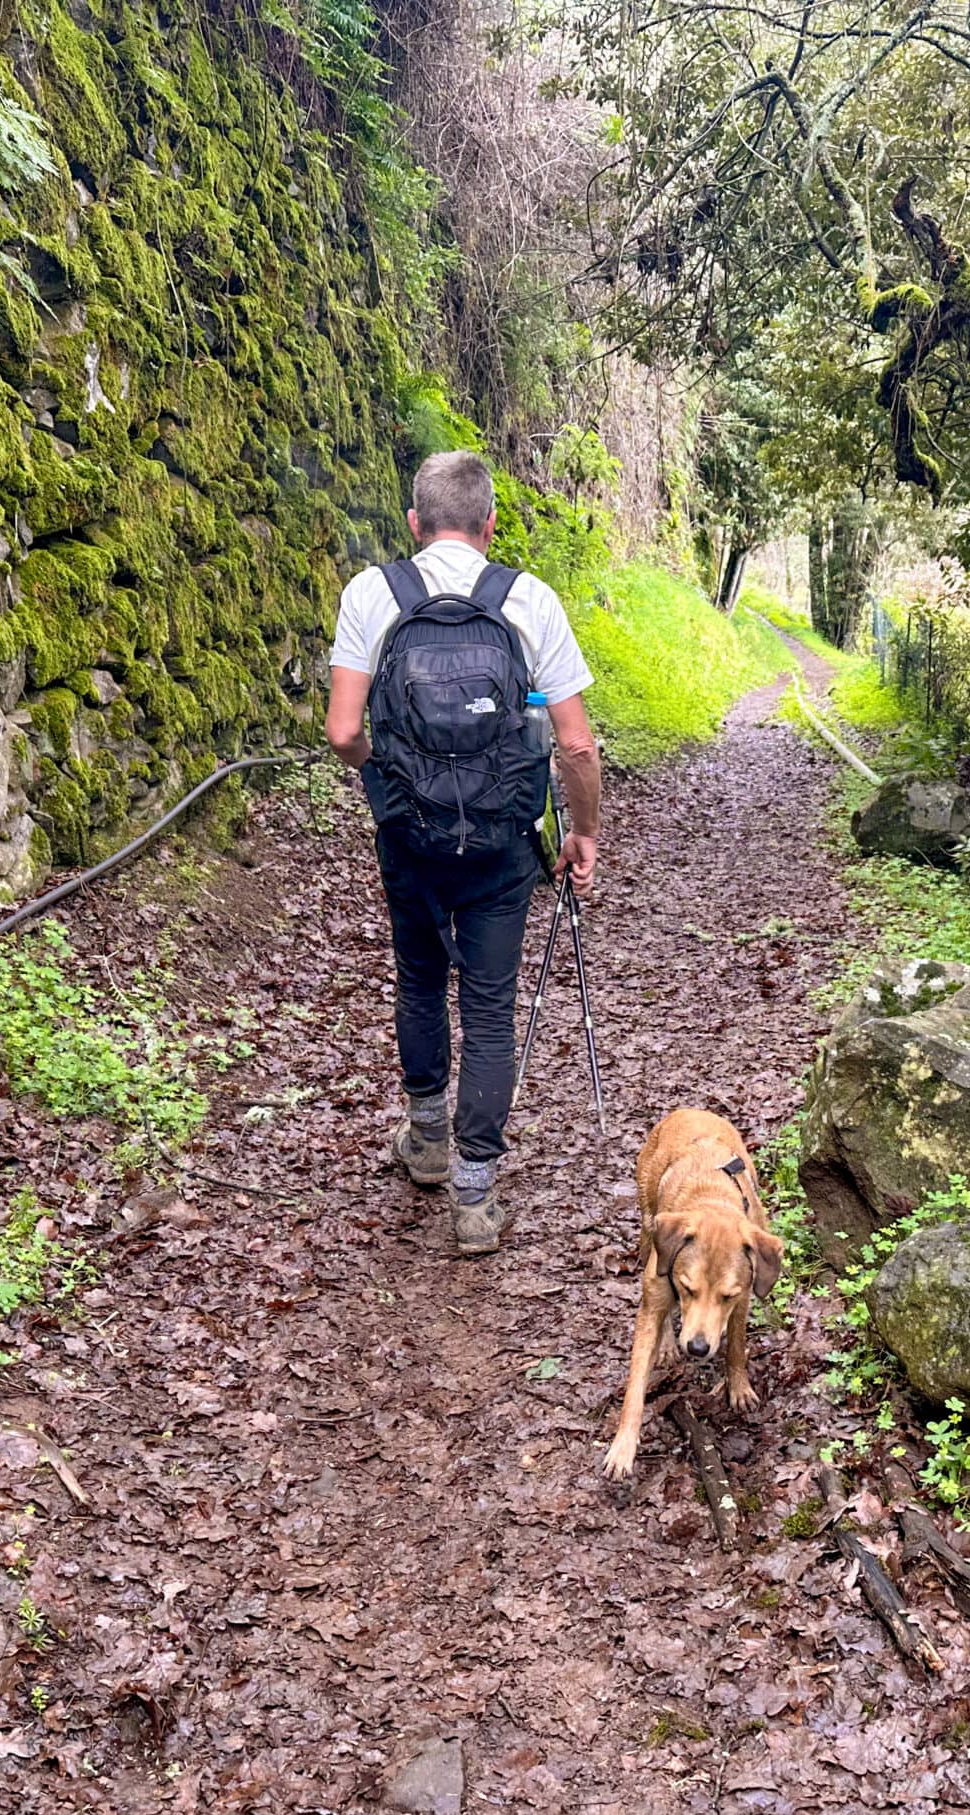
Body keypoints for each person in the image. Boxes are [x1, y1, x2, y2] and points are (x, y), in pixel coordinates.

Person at [326, 450, 603, 1253]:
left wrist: (388, 775)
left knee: (419, 978)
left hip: (409, 836)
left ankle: (426, 1143)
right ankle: (476, 1199)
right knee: (488, 1006)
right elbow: (576, 745)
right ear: (490, 524)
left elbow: (343, 731)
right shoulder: (528, 599)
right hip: (500, 844)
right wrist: (583, 833)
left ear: (415, 523)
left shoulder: (372, 593)